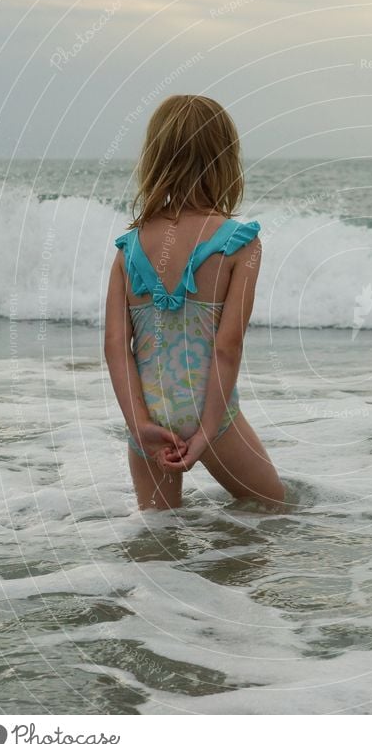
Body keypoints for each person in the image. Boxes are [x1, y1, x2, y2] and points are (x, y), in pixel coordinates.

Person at [104, 94, 285, 511]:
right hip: (210, 414)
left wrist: (140, 426)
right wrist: (205, 433)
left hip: (147, 414)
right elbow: (227, 347)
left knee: (158, 537)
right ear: (226, 160)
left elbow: (116, 348)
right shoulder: (240, 244)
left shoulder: (128, 248)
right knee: (275, 511)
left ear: (154, 159)